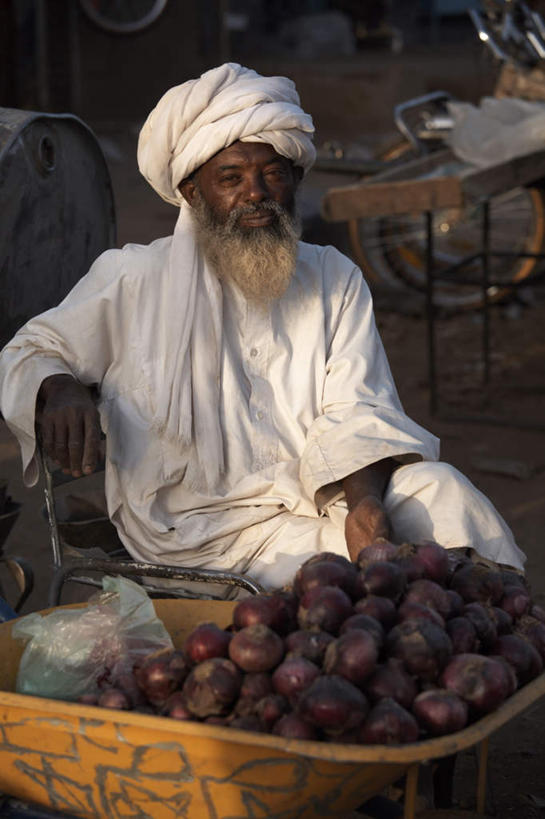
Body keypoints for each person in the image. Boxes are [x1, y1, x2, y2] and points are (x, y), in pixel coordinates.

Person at [0, 63, 525, 592]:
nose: (256, 193)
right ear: (192, 190)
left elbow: (359, 408)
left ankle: (514, 632)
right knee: (347, 585)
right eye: (230, 178)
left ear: (295, 178)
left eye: (272, 173)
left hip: (321, 496)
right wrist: (59, 384)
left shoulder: (331, 276)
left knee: (444, 493)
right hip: (199, 529)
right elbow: (30, 350)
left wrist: (365, 506)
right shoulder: (134, 277)